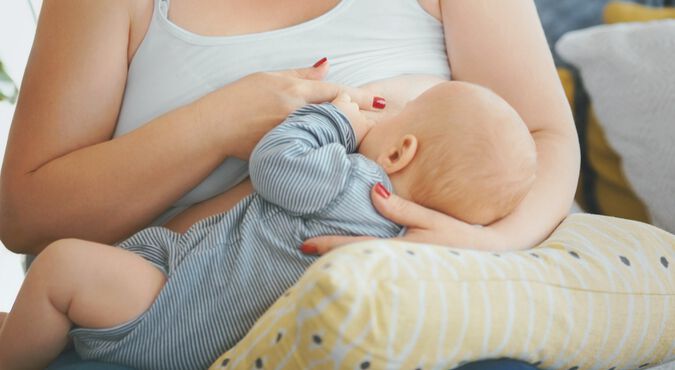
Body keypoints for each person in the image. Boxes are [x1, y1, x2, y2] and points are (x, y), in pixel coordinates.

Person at [0, 0, 579, 369]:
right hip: (160, 303)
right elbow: (25, 216)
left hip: (380, 319)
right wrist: (218, 125)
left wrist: (484, 246)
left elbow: (546, 139)